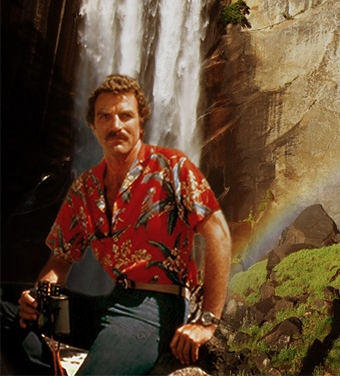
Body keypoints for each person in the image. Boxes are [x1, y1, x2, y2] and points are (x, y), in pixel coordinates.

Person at [1, 74, 231, 374]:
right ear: (93, 126)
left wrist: (207, 320)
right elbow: (60, 260)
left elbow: (219, 234)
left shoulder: (172, 166)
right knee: (5, 307)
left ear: (141, 124)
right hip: (110, 301)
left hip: (155, 307)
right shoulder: (85, 187)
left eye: (125, 116)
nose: (116, 125)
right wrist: (39, 296)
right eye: (105, 117)